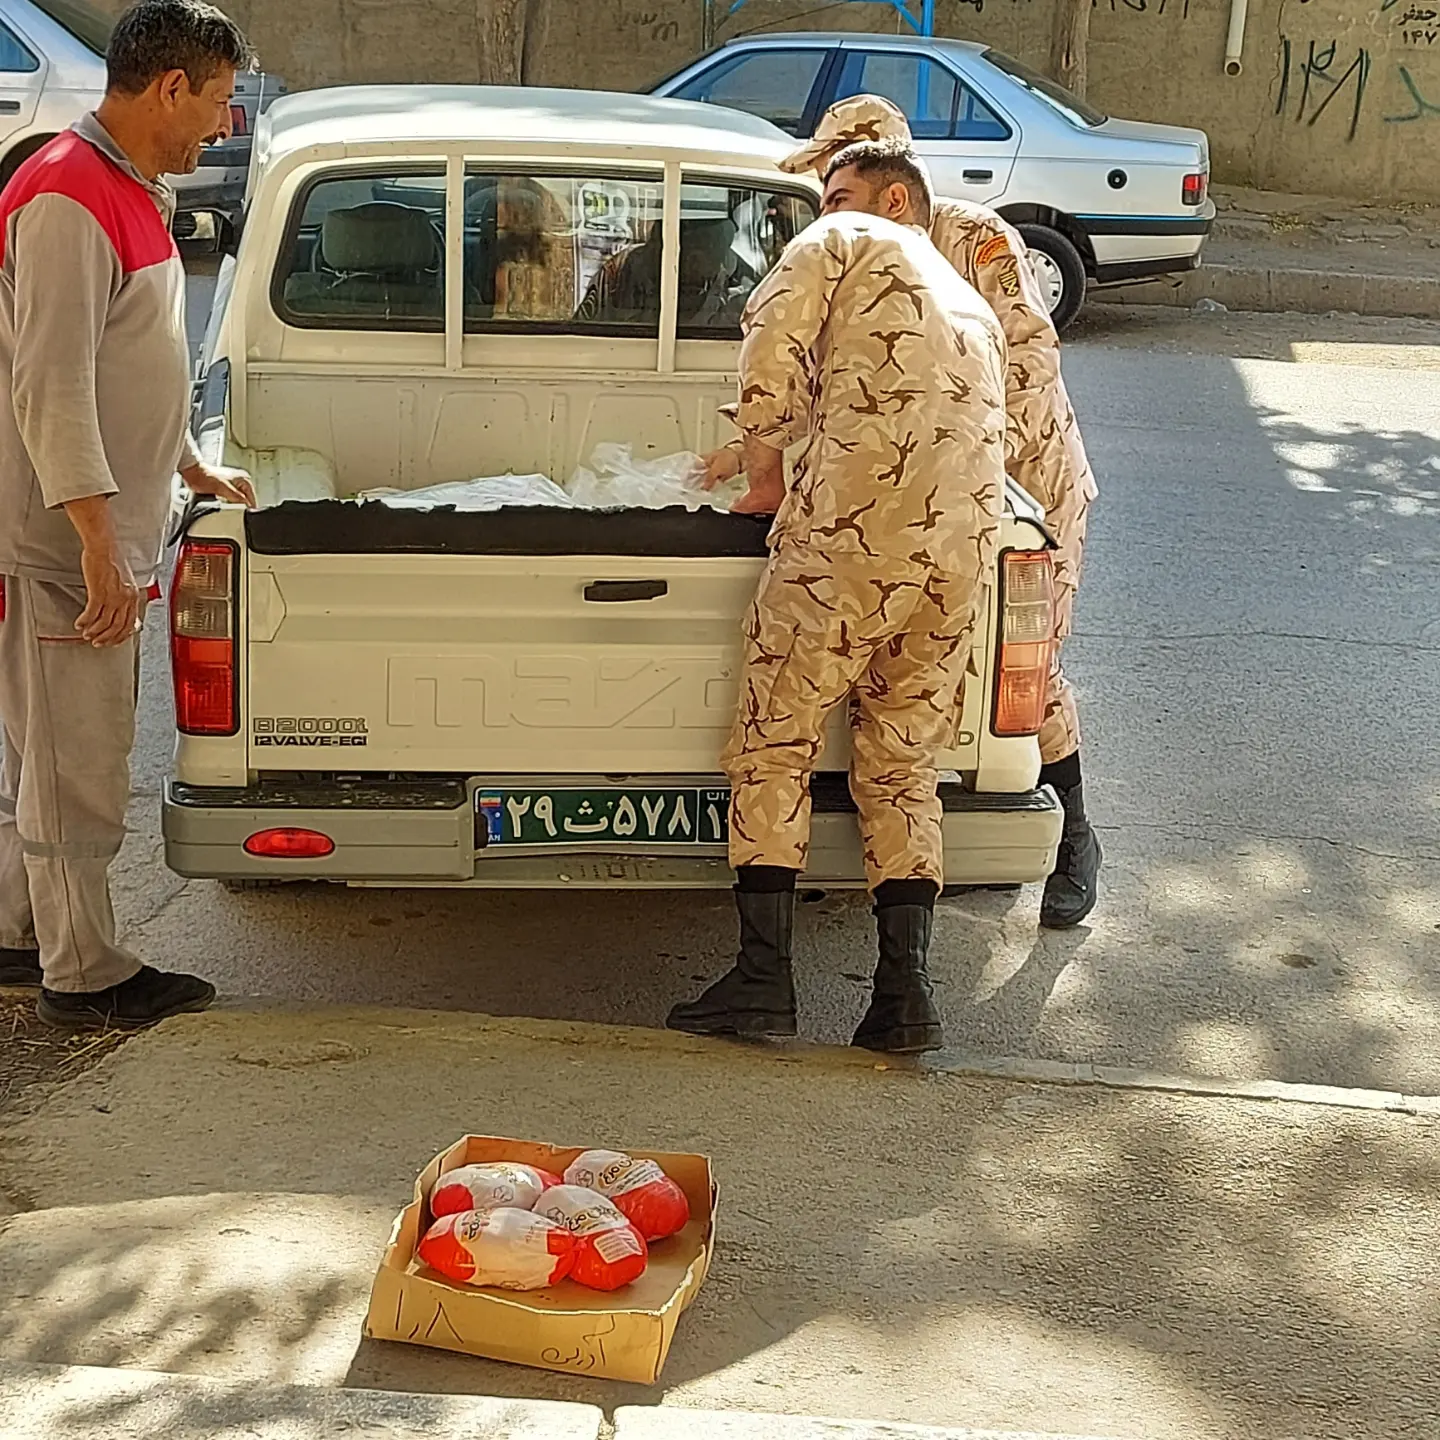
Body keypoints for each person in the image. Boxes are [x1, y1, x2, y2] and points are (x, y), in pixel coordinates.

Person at [734, 95, 1104, 929]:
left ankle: (1076, 837)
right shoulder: (858, 255)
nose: (823, 200)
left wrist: (981, 490)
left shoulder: (972, 238)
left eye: (837, 184)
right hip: (943, 486)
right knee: (911, 710)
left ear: (890, 179)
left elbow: (1030, 371)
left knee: (1027, 671)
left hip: (1025, 477)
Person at [666, 205, 1008, 1055]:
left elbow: (769, 344)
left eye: (832, 183)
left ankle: (762, 983)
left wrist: (759, 472)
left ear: (876, 194)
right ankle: (904, 997)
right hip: (958, 553)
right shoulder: (960, 295)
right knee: (901, 763)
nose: (821, 202)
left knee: (773, 741)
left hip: (850, 544)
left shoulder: (837, 238)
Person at [0, 0, 256, 1026]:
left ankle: (25, 936)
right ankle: (87, 971)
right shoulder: (66, 193)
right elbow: (51, 386)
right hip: (63, 540)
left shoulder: (127, 186)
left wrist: (188, 463)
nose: (220, 128)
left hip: (93, 526)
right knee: (77, 768)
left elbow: (130, 362)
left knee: (45, 759)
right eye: (218, 104)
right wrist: (100, 544)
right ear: (169, 88)